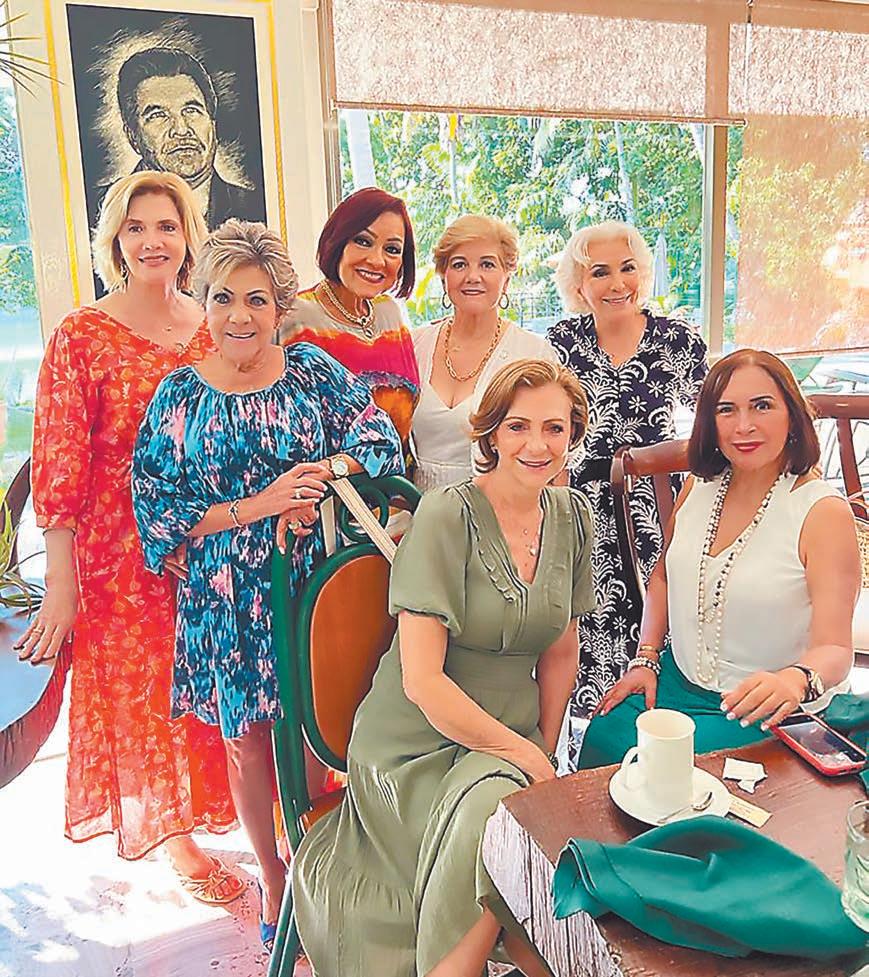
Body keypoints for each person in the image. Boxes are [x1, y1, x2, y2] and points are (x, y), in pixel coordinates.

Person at [131, 219, 403, 948]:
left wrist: (323, 475)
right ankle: (273, 875)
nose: (239, 316)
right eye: (223, 298)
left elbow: (378, 439)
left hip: (311, 587)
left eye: (256, 299)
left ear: (281, 306)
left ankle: (312, 860)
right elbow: (157, 505)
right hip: (224, 596)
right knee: (245, 743)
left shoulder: (312, 370)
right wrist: (259, 505)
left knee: (316, 731)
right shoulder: (179, 395)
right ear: (205, 301)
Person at [293, 358, 595, 977]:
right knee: (499, 820)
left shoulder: (573, 517)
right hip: (416, 743)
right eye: (518, 427)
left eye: (554, 428)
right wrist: (525, 756)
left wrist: (544, 743)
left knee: (517, 818)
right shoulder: (444, 514)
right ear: (491, 434)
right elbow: (422, 681)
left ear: (573, 435)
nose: (537, 445)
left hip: (510, 735)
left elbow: (561, 650)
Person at [16, 172, 241, 902]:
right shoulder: (81, 334)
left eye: (166, 225)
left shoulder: (212, 324)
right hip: (119, 552)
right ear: (115, 239)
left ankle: (220, 808)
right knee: (149, 691)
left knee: (210, 678)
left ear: (188, 236)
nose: (152, 240)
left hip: (208, 540)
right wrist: (61, 584)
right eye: (136, 227)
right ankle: (175, 836)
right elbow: (58, 462)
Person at [580, 349, 859, 768]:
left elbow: (835, 648)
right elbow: (663, 578)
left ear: (792, 415)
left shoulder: (822, 511)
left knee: (674, 770)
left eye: (762, 406)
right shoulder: (697, 487)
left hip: (767, 705)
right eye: (726, 410)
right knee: (604, 733)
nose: (744, 426)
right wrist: (646, 658)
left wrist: (795, 680)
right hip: (676, 683)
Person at [547, 220, 708, 760]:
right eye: (600, 272)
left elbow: (714, 427)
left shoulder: (677, 339)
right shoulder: (561, 343)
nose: (617, 283)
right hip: (582, 506)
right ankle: (593, 751)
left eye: (628, 268)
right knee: (584, 624)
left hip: (659, 508)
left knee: (659, 625)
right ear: (579, 284)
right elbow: (549, 428)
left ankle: (662, 742)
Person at [411, 215, 558, 490]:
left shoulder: (533, 353)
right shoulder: (414, 345)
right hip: (418, 509)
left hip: (501, 508)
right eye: (459, 264)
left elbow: (554, 455)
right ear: (443, 277)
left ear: (506, 278)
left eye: (487, 264)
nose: (473, 277)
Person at [278, 187, 419, 453]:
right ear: (337, 240)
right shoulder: (295, 316)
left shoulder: (391, 313)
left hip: (400, 477)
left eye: (392, 249)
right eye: (363, 241)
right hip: (326, 478)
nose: (377, 260)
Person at [112, 47, 263, 229]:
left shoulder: (259, 209)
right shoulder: (101, 210)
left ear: (212, 123)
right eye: (158, 115)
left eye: (191, 111)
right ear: (133, 137)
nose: (181, 130)